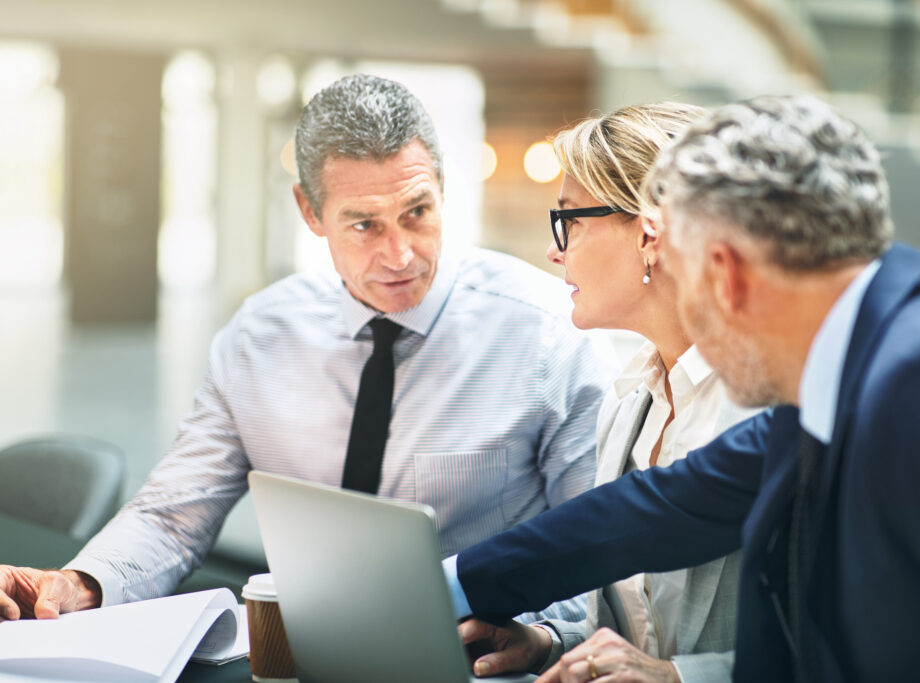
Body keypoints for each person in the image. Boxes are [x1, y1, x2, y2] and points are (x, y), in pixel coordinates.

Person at [445, 95, 920, 682]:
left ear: (724, 269)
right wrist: (441, 590)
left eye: (687, 274)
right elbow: (666, 508)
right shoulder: (844, 373)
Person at [0, 74, 615, 622]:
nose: (400, 254)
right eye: (363, 224)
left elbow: (600, 554)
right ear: (309, 211)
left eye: (417, 211)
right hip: (300, 648)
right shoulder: (259, 335)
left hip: (480, 658)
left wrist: (543, 634)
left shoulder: (550, 333)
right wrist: (76, 585)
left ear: (443, 190)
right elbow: (174, 516)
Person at [457, 103, 758, 683]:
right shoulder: (629, 399)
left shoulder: (767, 410)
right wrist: (550, 643)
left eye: (570, 219)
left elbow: (832, 645)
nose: (555, 249)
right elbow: (633, 629)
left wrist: (679, 678)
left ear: (650, 233)